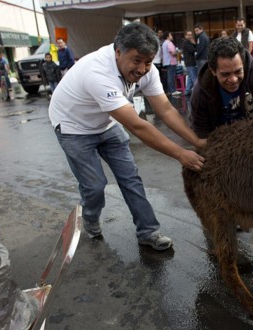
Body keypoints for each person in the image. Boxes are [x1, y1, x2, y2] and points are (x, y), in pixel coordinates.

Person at [48, 23, 206, 250]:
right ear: (118, 51)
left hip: (107, 121)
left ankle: (148, 231)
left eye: (148, 61)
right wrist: (181, 154)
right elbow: (137, 126)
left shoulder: (147, 70)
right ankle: (90, 218)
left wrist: (196, 141)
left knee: (130, 177)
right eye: (137, 60)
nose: (142, 68)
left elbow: (166, 109)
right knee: (94, 185)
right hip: (74, 126)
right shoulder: (97, 72)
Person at [190, 36, 253, 138]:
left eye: (238, 71)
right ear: (213, 71)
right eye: (226, 74)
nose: (233, 79)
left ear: (243, 64)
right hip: (218, 139)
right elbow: (201, 133)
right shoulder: (201, 91)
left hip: (249, 132)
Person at [162, 31, 180, 97]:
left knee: (169, 76)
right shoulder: (169, 43)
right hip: (171, 61)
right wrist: (177, 51)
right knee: (171, 77)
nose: (171, 36)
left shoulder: (164, 43)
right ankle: (173, 91)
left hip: (167, 61)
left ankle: (170, 90)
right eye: (170, 35)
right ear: (167, 36)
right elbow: (173, 53)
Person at [181, 30, 197, 96]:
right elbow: (193, 50)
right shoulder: (186, 43)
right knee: (194, 78)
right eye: (188, 35)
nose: (190, 36)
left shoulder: (188, 42)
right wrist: (194, 43)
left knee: (190, 77)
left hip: (190, 62)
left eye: (191, 35)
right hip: (189, 62)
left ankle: (187, 91)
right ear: (185, 36)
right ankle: (198, 91)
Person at [153, 29, 167, 94]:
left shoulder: (156, 45)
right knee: (159, 77)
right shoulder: (158, 46)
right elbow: (161, 54)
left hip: (156, 62)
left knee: (158, 77)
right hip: (158, 62)